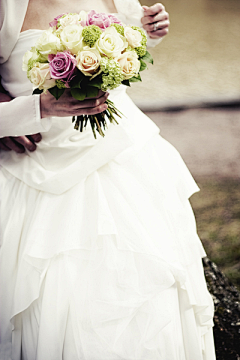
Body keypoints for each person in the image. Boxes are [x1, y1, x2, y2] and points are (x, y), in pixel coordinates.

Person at [0, 0, 216, 359]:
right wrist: (33, 110)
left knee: (150, 291)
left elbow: (131, 41)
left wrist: (151, 29)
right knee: (60, 298)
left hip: (128, 162)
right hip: (38, 173)